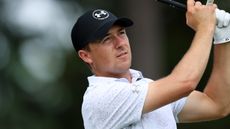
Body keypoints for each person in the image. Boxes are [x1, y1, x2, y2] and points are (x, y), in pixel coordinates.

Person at [71, 0, 230, 128]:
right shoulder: (100, 97)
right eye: (107, 39)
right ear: (86, 56)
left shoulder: (146, 86)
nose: (120, 43)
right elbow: (186, 82)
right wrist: (205, 27)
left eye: (121, 33)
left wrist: (222, 37)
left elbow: (217, 104)